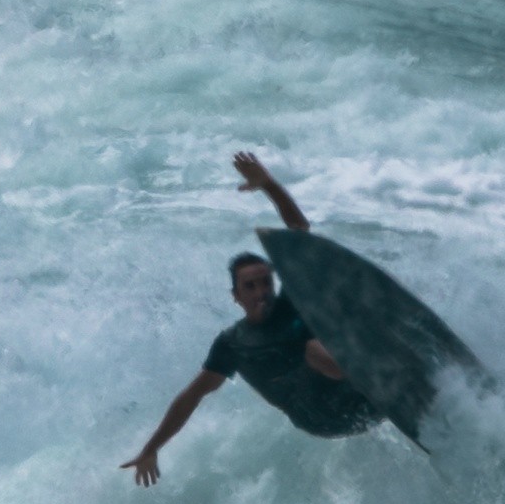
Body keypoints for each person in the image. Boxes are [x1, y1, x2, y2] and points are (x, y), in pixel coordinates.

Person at [122, 153, 381, 486]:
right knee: (311, 348)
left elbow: (299, 231)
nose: (261, 292)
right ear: (236, 296)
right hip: (321, 421)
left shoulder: (290, 305)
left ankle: (384, 370)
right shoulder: (233, 344)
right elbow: (191, 396)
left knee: (324, 312)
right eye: (250, 286)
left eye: (265, 283)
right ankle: (374, 366)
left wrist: (269, 185)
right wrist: (151, 448)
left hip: (362, 403)